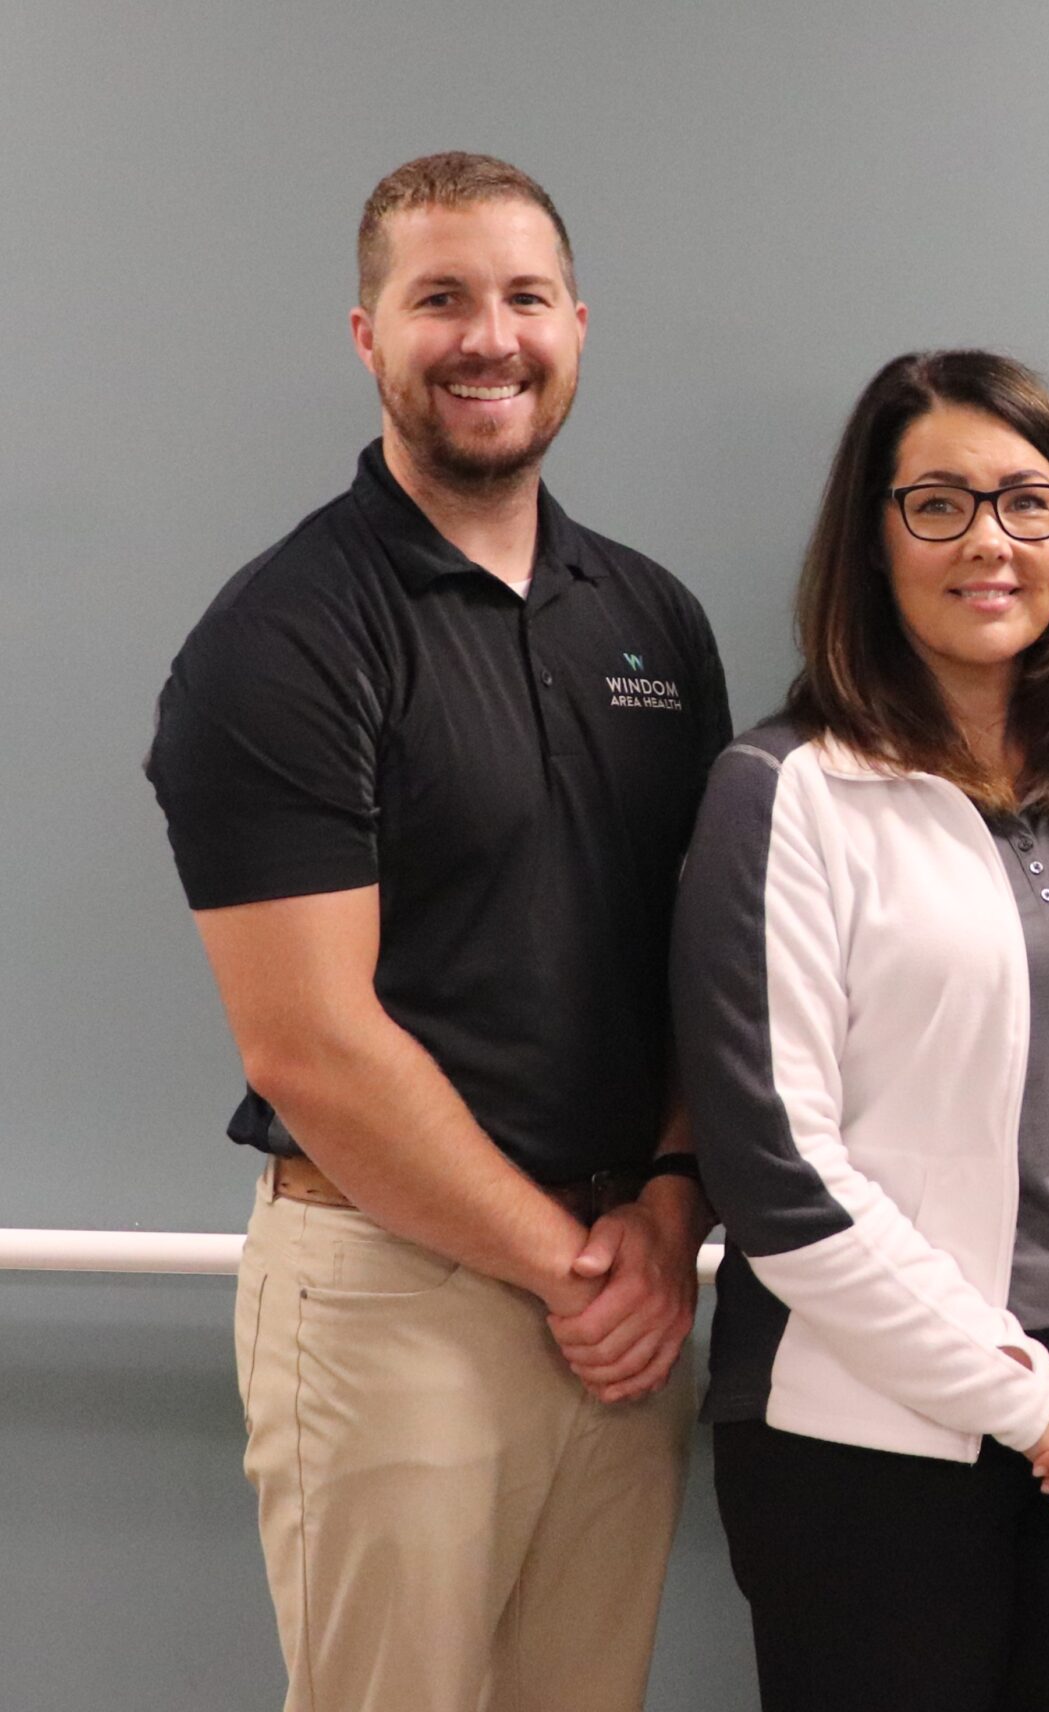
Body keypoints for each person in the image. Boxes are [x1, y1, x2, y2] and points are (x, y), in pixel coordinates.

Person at [145, 152, 730, 1712]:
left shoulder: (652, 621)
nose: (491, 337)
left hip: (622, 1287)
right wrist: (575, 1269)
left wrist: (669, 1210)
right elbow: (313, 1044)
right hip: (396, 1292)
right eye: (441, 299)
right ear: (366, 336)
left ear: (580, 326)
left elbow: (702, 965)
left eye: (525, 297)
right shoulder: (281, 639)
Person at [671, 349, 1049, 1712]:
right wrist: (1039, 1410)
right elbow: (778, 1178)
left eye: (1027, 504)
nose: (990, 540)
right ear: (873, 541)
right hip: (865, 1447)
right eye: (938, 503)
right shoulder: (787, 794)